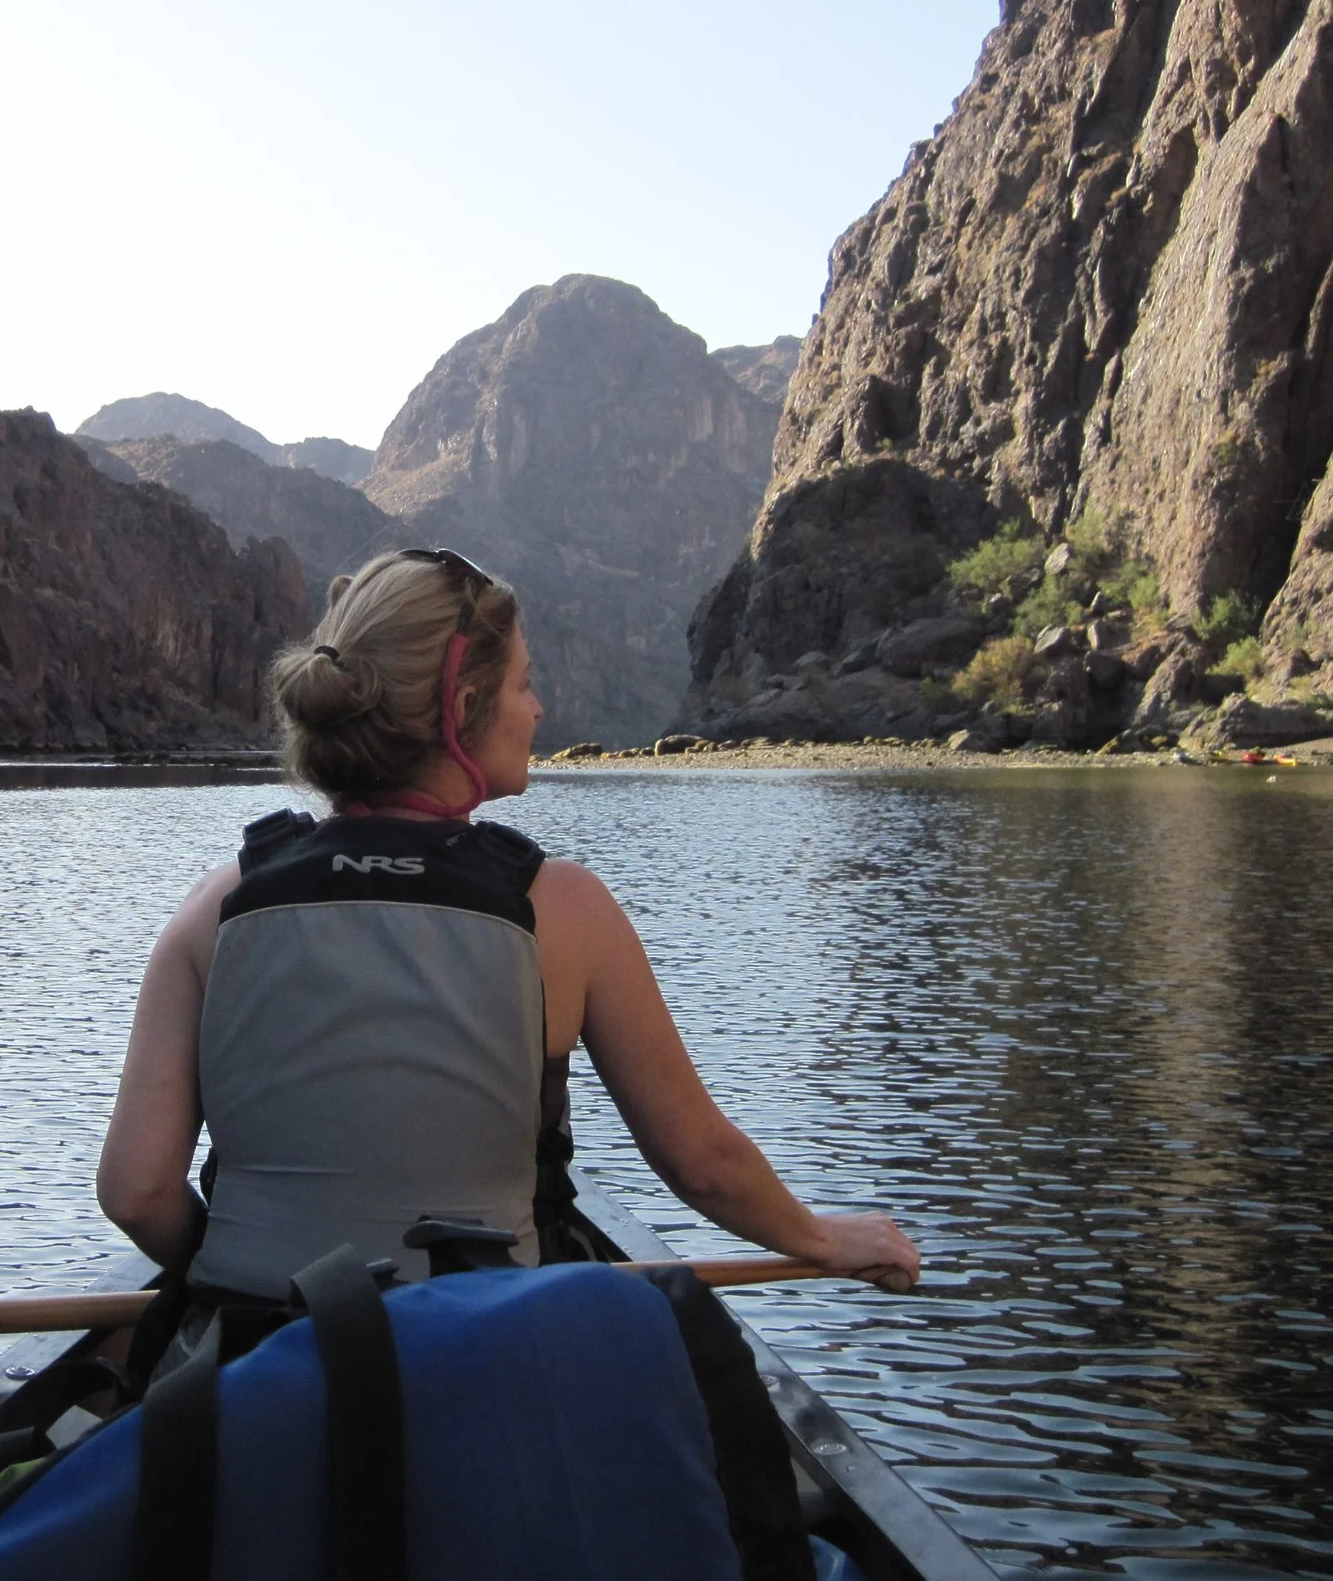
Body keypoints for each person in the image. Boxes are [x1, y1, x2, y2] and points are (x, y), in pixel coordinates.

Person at [96, 548, 919, 1304]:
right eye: (525, 683)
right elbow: (700, 1160)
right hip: (484, 1365)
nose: (538, 708)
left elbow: (136, 1191)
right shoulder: (563, 909)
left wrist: (233, 1271)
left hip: (257, 1366)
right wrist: (819, 1237)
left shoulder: (211, 909)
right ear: (462, 707)